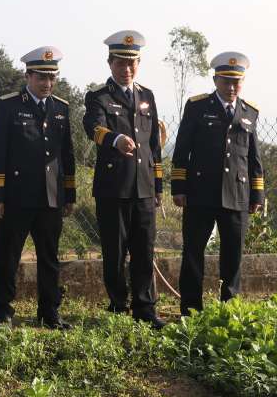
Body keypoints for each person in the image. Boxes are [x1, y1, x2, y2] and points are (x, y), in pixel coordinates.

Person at [0, 45, 76, 328]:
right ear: (28, 76)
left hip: (51, 197)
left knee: (49, 258)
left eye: (52, 78)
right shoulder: (9, 105)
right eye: (41, 77)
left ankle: (49, 312)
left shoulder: (60, 108)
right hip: (16, 196)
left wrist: (69, 194)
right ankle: (3, 312)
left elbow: (67, 155)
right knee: (8, 257)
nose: (47, 83)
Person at [82, 30, 166, 328]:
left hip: (143, 187)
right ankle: (118, 305)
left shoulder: (147, 96)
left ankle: (145, 308)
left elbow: (154, 145)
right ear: (110, 63)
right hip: (113, 187)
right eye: (120, 62)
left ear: (138, 64)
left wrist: (158, 186)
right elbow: (93, 127)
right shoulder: (99, 97)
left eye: (132, 63)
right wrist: (115, 139)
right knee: (115, 251)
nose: (126, 68)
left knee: (144, 250)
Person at [171, 51, 265, 309]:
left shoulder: (249, 112)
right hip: (200, 193)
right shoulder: (197, 106)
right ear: (215, 80)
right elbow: (182, 150)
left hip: (236, 194)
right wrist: (178, 187)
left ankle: (229, 308)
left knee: (233, 257)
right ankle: (191, 310)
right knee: (193, 254)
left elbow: (253, 157)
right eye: (226, 81)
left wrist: (257, 194)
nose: (231, 87)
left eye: (237, 82)